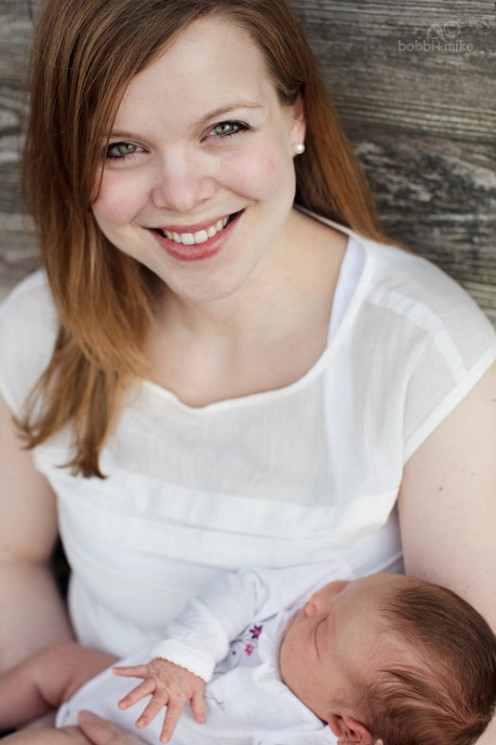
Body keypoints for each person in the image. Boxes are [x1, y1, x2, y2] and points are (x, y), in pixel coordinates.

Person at [1, 0, 496, 743]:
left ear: (296, 117)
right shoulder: (42, 324)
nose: (181, 193)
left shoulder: (424, 351)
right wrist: (62, 721)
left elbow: (471, 718)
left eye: (225, 128)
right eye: (121, 148)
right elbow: (10, 556)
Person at [1, 562, 495, 745]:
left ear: (347, 728)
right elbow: (244, 588)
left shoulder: (301, 738)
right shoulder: (302, 602)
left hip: (116, 738)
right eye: (345, 591)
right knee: (59, 663)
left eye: (323, 628)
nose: (317, 602)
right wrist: (188, 654)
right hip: (126, 682)